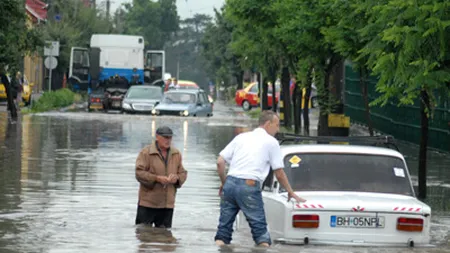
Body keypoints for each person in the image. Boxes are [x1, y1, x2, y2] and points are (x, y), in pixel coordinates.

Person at [214, 110, 306, 247]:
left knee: (223, 231)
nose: (278, 129)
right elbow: (279, 173)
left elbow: (220, 162)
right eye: (277, 125)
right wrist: (290, 192)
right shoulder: (271, 142)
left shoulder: (241, 137)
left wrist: (224, 182)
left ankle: (218, 248)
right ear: (268, 124)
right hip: (249, 185)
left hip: (231, 183)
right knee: (260, 232)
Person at [135, 126, 188, 228]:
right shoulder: (146, 153)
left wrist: (176, 178)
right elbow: (139, 173)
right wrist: (157, 178)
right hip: (148, 203)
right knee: (143, 235)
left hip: (167, 205)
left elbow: (183, 173)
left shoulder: (176, 154)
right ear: (157, 137)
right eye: (165, 137)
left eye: (170, 138)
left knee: (166, 237)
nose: (168, 140)